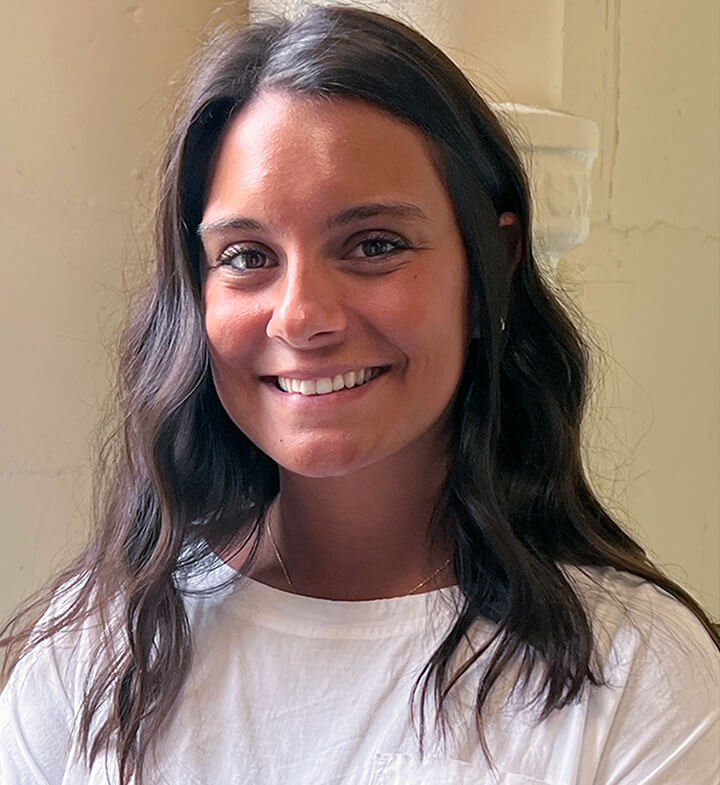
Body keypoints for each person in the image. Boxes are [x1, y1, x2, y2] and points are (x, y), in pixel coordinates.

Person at [1, 6, 718, 784]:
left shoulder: (638, 675)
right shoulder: (96, 656)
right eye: (247, 255)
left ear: (490, 271)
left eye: (374, 245)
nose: (302, 315)